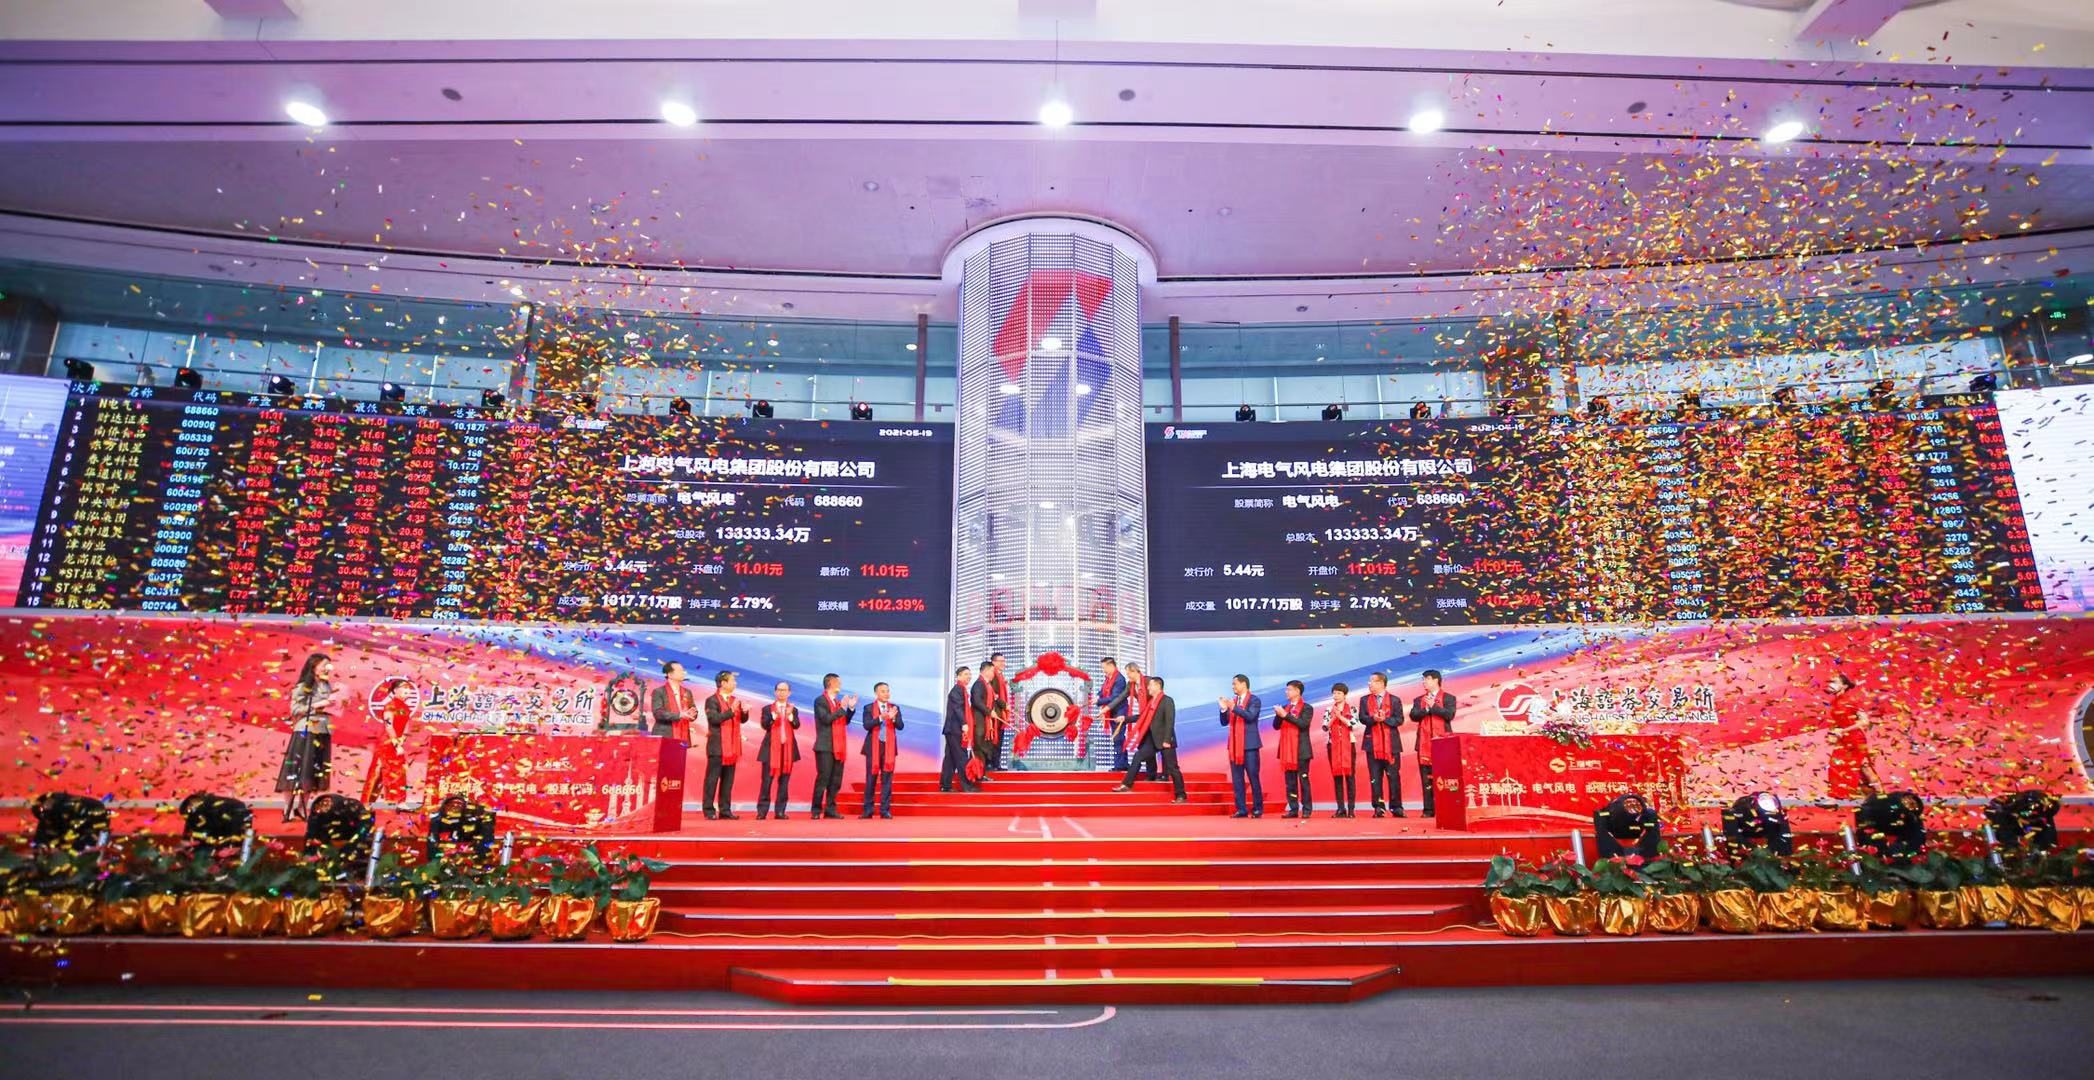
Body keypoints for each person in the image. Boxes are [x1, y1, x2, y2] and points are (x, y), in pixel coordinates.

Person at [276, 652, 337, 822]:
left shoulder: (327, 685)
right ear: (314, 666)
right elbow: (295, 710)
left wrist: (337, 704)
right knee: (296, 770)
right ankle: (287, 807)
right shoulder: (303, 686)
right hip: (306, 731)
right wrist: (317, 705)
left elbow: (331, 706)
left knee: (313, 770)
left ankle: (302, 808)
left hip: (323, 730)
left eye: (329, 665)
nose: (328, 668)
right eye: (324, 665)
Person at [1115, 675, 1185, 801]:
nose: (1148, 687)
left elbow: (1170, 721)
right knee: (1138, 756)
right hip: (1152, 739)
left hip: (1165, 740)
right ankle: (1126, 784)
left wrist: (1167, 740)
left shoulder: (1167, 700)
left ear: (1158, 686)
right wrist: (1125, 719)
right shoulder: (1151, 702)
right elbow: (1141, 717)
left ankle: (1181, 795)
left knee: (1173, 768)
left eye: (1150, 685)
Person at [1408, 669, 1457, 817]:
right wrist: (1426, 708)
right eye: (1423, 679)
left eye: (1427, 679)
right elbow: (1413, 716)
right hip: (1424, 744)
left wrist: (1434, 707)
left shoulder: (1449, 698)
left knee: (1445, 777)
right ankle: (1428, 810)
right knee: (1426, 778)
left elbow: (1449, 715)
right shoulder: (1419, 700)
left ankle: (1446, 808)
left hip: (1443, 744)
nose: (1424, 682)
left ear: (1436, 680)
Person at [361, 676, 416, 809]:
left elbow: (406, 726)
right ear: (395, 690)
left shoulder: (406, 707)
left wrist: (402, 739)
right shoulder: (390, 705)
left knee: (399, 771)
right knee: (377, 772)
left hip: (397, 742)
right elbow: (389, 726)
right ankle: (365, 802)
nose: (407, 691)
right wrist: (396, 744)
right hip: (386, 743)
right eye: (404, 688)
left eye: (409, 689)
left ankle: (400, 801)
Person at [701, 670, 748, 820]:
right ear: (723, 683)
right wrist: (731, 711)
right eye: (732, 681)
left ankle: (725, 810)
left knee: (728, 781)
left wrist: (744, 712)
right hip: (717, 746)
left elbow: (741, 720)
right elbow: (714, 719)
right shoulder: (712, 700)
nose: (735, 683)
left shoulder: (735, 700)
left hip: (732, 746)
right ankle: (709, 810)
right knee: (712, 779)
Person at [812, 673, 859, 820]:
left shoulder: (838, 703)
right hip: (825, 746)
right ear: (830, 683)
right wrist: (842, 709)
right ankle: (816, 809)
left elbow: (845, 721)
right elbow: (826, 719)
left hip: (839, 747)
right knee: (823, 778)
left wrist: (850, 709)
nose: (840, 684)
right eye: (838, 682)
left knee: (835, 780)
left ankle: (830, 809)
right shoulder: (820, 701)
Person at [1826, 672, 1879, 800]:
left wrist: (1844, 730)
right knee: (1837, 765)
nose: (1831, 685)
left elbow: (1864, 721)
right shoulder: (1834, 703)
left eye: (1835, 682)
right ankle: (1837, 795)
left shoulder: (1851, 700)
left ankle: (1883, 797)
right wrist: (1834, 733)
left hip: (1856, 739)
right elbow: (1840, 722)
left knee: (1864, 768)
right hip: (1843, 740)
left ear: (1844, 686)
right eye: (1830, 682)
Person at [1358, 672, 1404, 818]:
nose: (1369, 684)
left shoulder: (1395, 700)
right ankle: (1378, 807)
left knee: (1393, 776)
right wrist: (1374, 719)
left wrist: (1385, 720)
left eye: (1372, 681)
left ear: (1381, 683)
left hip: (1392, 745)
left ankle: (1396, 807)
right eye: (1369, 681)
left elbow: (1399, 720)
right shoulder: (1364, 700)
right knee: (1375, 777)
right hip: (1372, 744)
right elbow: (1362, 718)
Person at [1218, 674, 1264, 818]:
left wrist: (1234, 707)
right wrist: (1224, 709)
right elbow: (1224, 722)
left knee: (1253, 777)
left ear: (1243, 684)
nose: (1233, 686)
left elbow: (1250, 716)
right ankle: (1241, 809)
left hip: (1249, 746)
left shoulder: (1254, 700)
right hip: (1234, 746)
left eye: (1235, 684)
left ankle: (1257, 808)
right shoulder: (1233, 701)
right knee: (1237, 779)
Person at [756, 680, 802, 820]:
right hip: (771, 749)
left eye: (784, 690)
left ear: (789, 693)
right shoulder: (767, 709)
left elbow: (796, 725)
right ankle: (762, 811)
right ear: (775, 692)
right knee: (766, 781)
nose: (782, 692)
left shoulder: (793, 709)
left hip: (787, 750)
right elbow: (765, 725)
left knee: (784, 782)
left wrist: (790, 716)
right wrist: (774, 716)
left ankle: (780, 811)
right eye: (779, 690)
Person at [860, 681, 904, 819]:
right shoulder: (868, 708)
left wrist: (894, 718)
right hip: (873, 747)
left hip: (889, 747)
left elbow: (901, 726)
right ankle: (868, 810)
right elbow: (866, 725)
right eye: (883, 691)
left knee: (887, 780)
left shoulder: (894, 708)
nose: (886, 694)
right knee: (870, 779)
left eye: (887, 691)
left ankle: (885, 810)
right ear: (876, 693)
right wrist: (880, 718)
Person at [1273, 680, 1315, 818]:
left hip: (1301, 750)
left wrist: (1285, 715)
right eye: (1286, 690)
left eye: (1289, 689)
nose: (1287, 692)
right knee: (1290, 782)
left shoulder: (1307, 708)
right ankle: (1293, 809)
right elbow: (1276, 726)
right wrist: (1279, 715)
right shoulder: (1285, 707)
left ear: (1297, 691)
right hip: (1287, 750)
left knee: (1303, 780)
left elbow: (1303, 724)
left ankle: (1307, 809)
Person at [969, 653, 1010, 779]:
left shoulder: (987, 683)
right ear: (986, 671)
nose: (993, 673)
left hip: (986, 719)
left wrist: (1001, 706)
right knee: (979, 748)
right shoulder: (979, 684)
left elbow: (994, 697)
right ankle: (976, 774)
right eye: (992, 671)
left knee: (984, 747)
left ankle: (980, 773)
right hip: (980, 720)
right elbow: (976, 701)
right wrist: (989, 711)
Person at [1325, 681, 1358, 818]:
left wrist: (1340, 717)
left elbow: (1353, 725)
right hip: (1332, 744)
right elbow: (1325, 726)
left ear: (1345, 695)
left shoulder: (1352, 708)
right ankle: (1340, 809)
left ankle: (1351, 809)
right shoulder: (1329, 709)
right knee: (1337, 777)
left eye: (1339, 693)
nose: (1336, 696)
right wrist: (1334, 717)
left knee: (1350, 776)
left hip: (1348, 744)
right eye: (1334, 693)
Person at [941, 665, 976, 792]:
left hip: (952, 729)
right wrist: (964, 723)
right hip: (955, 729)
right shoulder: (957, 690)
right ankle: (967, 786)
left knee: (950, 758)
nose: (969, 676)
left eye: (970, 674)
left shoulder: (961, 690)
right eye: (966, 674)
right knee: (962, 757)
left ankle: (945, 786)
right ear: (959, 676)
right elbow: (957, 709)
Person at [650, 661, 699, 745]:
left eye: (683, 670)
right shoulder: (659, 691)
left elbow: (693, 710)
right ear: (670, 674)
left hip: (683, 734)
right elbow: (658, 713)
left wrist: (692, 714)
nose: (683, 673)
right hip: (664, 735)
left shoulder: (687, 692)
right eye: (680, 670)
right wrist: (680, 715)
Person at [1094, 657, 1131, 771]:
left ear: (1111, 666)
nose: (1103, 670)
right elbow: (1103, 691)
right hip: (1112, 712)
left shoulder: (1119, 679)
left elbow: (1115, 697)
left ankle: (1120, 765)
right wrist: (1097, 696)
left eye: (1104, 668)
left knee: (1118, 738)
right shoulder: (1108, 678)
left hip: (1119, 712)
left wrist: (1099, 701)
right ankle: (1123, 764)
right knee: (1117, 739)